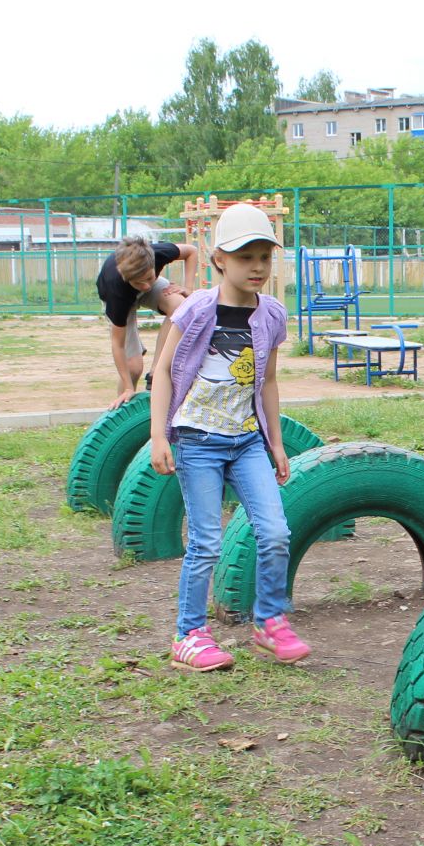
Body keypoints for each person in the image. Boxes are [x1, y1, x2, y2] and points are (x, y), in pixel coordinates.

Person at [148, 203, 310, 672]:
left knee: (276, 530)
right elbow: (162, 371)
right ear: (219, 258)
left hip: (246, 441)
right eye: (245, 258)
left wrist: (276, 442)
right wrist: (160, 435)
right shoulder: (196, 310)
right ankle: (189, 634)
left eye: (264, 257)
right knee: (206, 541)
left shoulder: (272, 315)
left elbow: (270, 381)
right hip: (198, 439)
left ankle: (269, 623)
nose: (257, 267)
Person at [96, 236, 200, 407]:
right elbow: (118, 344)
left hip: (139, 277)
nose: (145, 286)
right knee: (133, 369)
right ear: (126, 277)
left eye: (149, 278)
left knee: (181, 306)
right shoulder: (117, 290)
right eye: (139, 283)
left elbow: (191, 251)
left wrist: (188, 288)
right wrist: (129, 387)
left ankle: (156, 371)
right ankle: (122, 412)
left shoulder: (157, 253)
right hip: (121, 297)